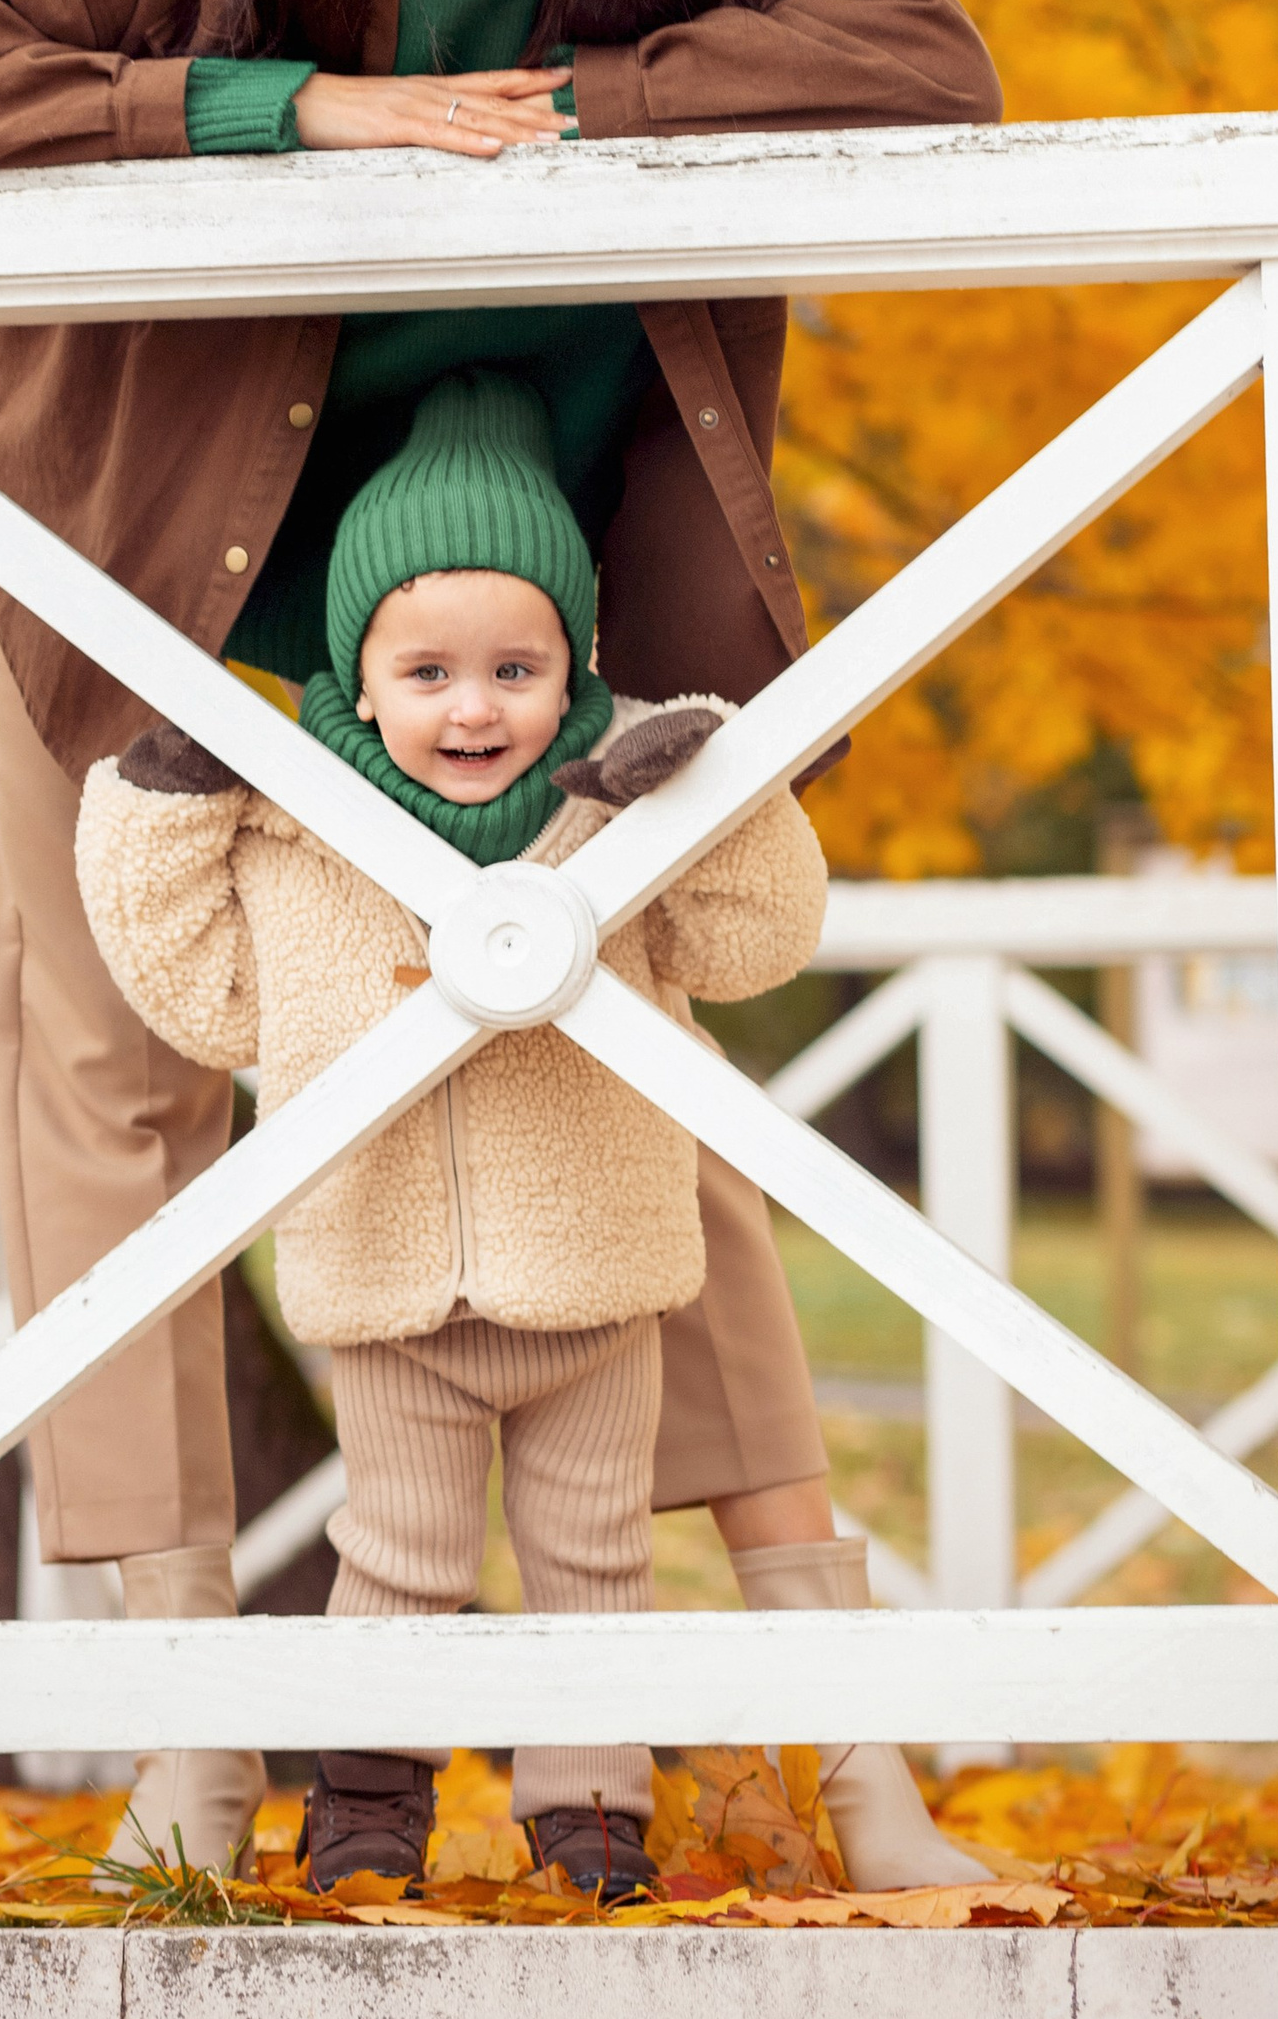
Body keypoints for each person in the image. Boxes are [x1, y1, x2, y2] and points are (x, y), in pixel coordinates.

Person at [0, 0, 1000, 1887]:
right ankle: (190, 1750)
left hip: (518, 614)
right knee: (111, 1097)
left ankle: (833, 1734)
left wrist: (588, 102)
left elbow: (920, 54)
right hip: (128, 553)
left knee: (639, 1090)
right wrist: (293, 113)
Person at [78, 372, 831, 1903]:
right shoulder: (297, 841)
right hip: (388, 1281)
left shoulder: (616, 826)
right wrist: (165, 797)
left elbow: (763, 937)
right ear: (359, 683)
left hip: (596, 1278)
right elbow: (195, 989)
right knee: (398, 1557)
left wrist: (707, 786)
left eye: (515, 667)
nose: (472, 706)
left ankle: (593, 1811)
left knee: (594, 1562)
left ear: (575, 674)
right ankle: (367, 1800)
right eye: (426, 671)